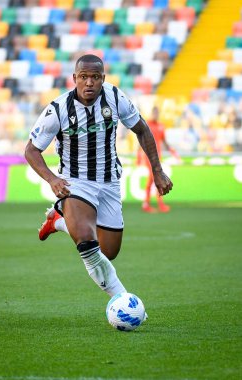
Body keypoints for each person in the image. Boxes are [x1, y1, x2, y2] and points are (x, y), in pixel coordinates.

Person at [25, 54, 173, 299]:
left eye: (95, 77)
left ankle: (59, 221)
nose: (89, 83)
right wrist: (53, 179)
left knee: (108, 251)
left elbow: (142, 129)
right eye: (83, 77)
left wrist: (157, 171)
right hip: (76, 182)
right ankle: (123, 300)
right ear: (75, 79)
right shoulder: (58, 109)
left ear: (103, 79)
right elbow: (31, 150)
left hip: (109, 182)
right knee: (86, 242)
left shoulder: (115, 97)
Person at [137, 105, 178, 213]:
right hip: (148, 156)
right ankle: (156, 204)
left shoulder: (161, 126)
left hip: (158, 157)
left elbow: (164, 141)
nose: (155, 115)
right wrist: (138, 156)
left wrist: (172, 151)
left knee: (152, 179)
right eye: (154, 112)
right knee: (153, 178)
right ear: (151, 113)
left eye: (157, 113)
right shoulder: (147, 125)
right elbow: (141, 139)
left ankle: (148, 203)